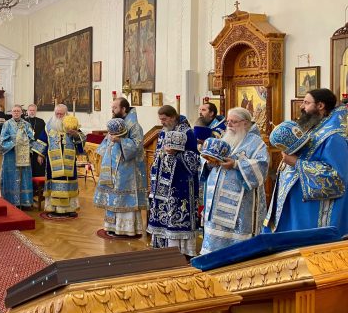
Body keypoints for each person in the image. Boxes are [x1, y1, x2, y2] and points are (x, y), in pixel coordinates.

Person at [264, 89, 348, 235]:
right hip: (296, 209)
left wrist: (297, 163)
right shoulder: (314, 128)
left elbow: (337, 177)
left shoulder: (334, 137)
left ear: (320, 106)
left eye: (306, 103)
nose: (302, 106)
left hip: (312, 214)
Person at [200, 107, 269, 254]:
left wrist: (236, 164)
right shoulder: (224, 139)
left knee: (237, 248)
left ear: (245, 123)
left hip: (242, 205)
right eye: (228, 122)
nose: (229, 125)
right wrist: (209, 162)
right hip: (217, 201)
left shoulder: (256, 143)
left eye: (234, 122)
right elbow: (209, 160)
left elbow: (262, 166)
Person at [147, 105, 200, 256]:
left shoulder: (187, 133)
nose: (162, 122)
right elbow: (158, 154)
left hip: (180, 181)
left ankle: (180, 250)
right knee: (163, 213)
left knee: (176, 212)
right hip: (162, 182)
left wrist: (178, 154)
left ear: (172, 117)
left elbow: (195, 160)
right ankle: (163, 247)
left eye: (164, 119)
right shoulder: (164, 132)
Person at [94, 98, 147, 236]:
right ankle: (112, 227)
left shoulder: (134, 126)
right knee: (112, 196)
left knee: (124, 197)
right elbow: (107, 142)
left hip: (127, 169)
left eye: (115, 108)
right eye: (112, 107)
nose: (113, 110)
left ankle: (126, 229)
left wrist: (121, 140)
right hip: (112, 167)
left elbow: (137, 146)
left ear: (124, 109)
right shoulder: (115, 123)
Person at [32, 104, 86, 216]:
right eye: (57, 113)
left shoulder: (72, 124)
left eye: (61, 113)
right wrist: (40, 155)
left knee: (68, 181)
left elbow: (81, 141)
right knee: (54, 182)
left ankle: (69, 208)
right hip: (53, 161)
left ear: (66, 113)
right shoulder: (49, 126)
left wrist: (75, 135)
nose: (59, 115)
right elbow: (43, 140)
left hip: (68, 161)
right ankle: (53, 207)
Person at [0, 105, 36, 207]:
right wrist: (15, 143)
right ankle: (10, 201)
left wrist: (25, 143)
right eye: (14, 111)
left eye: (18, 111)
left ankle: (24, 201)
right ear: (11, 113)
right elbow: (2, 141)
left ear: (21, 113)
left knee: (23, 177)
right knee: (11, 177)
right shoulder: (6, 124)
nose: (16, 113)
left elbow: (32, 139)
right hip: (11, 155)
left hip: (23, 155)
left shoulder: (26, 124)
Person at [24, 103, 46, 177]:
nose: (32, 112)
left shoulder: (41, 122)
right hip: (25, 150)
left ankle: (38, 187)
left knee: (39, 169)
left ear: (36, 111)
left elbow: (44, 137)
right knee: (26, 171)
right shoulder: (23, 121)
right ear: (27, 111)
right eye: (30, 110)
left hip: (38, 149)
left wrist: (41, 154)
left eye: (33, 110)